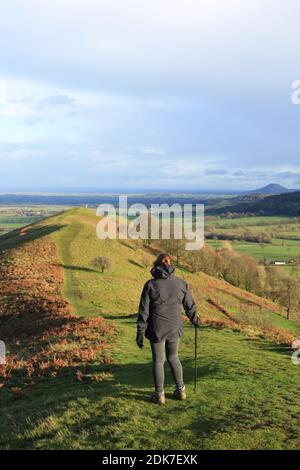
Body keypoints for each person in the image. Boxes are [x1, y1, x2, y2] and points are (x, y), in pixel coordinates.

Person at [136, 253, 200, 405]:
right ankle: (181, 390)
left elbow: (143, 311)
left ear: (156, 265)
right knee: (173, 357)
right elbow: (189, 305)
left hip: (157, 328)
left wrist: (140, 331)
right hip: (174, 327)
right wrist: (195, 319)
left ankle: (159, 395)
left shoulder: (150, 285)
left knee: (159, 360)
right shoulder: (181, 284)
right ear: (171, 266)